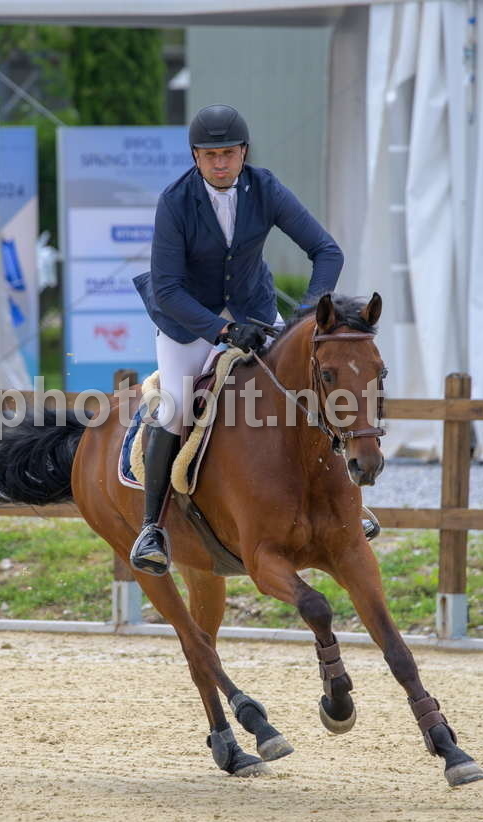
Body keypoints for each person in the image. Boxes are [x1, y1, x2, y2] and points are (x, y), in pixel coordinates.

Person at [130, 104, 344, 576]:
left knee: (305, 392)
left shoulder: (266, 188)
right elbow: (168, 289)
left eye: (228, 153)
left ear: (244, 152)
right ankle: (152, 527)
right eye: (210, 156)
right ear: (195, 156)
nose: (220, 164)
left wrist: (305, 317)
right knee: (176, 407)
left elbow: (326, 251)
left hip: (254, 310)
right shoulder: (175, 201)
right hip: (187, 321)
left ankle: (344, 505)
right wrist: (223, 331)